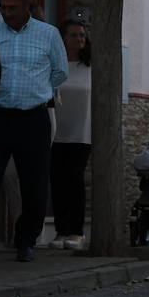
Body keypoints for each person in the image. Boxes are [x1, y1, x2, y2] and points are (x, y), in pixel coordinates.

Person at [0, 0, 67, 262]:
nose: (7, 14)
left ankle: (25, 241)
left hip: (33, 117)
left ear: (26, 6)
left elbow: (60, 72)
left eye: (12, 8)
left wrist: (37, 91)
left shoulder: (49, 34)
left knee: (35, 184)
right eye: (2, 8)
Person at [49, 19, 92, 249]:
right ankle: (61, 231)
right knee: (57, 181)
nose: (79, 39)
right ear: (63, 39)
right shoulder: (55, 65)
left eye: (82, 35)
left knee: (74, 179)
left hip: (82, 133)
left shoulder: (92, 67)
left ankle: (77, 231)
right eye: (74, 35)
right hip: (56, 131)